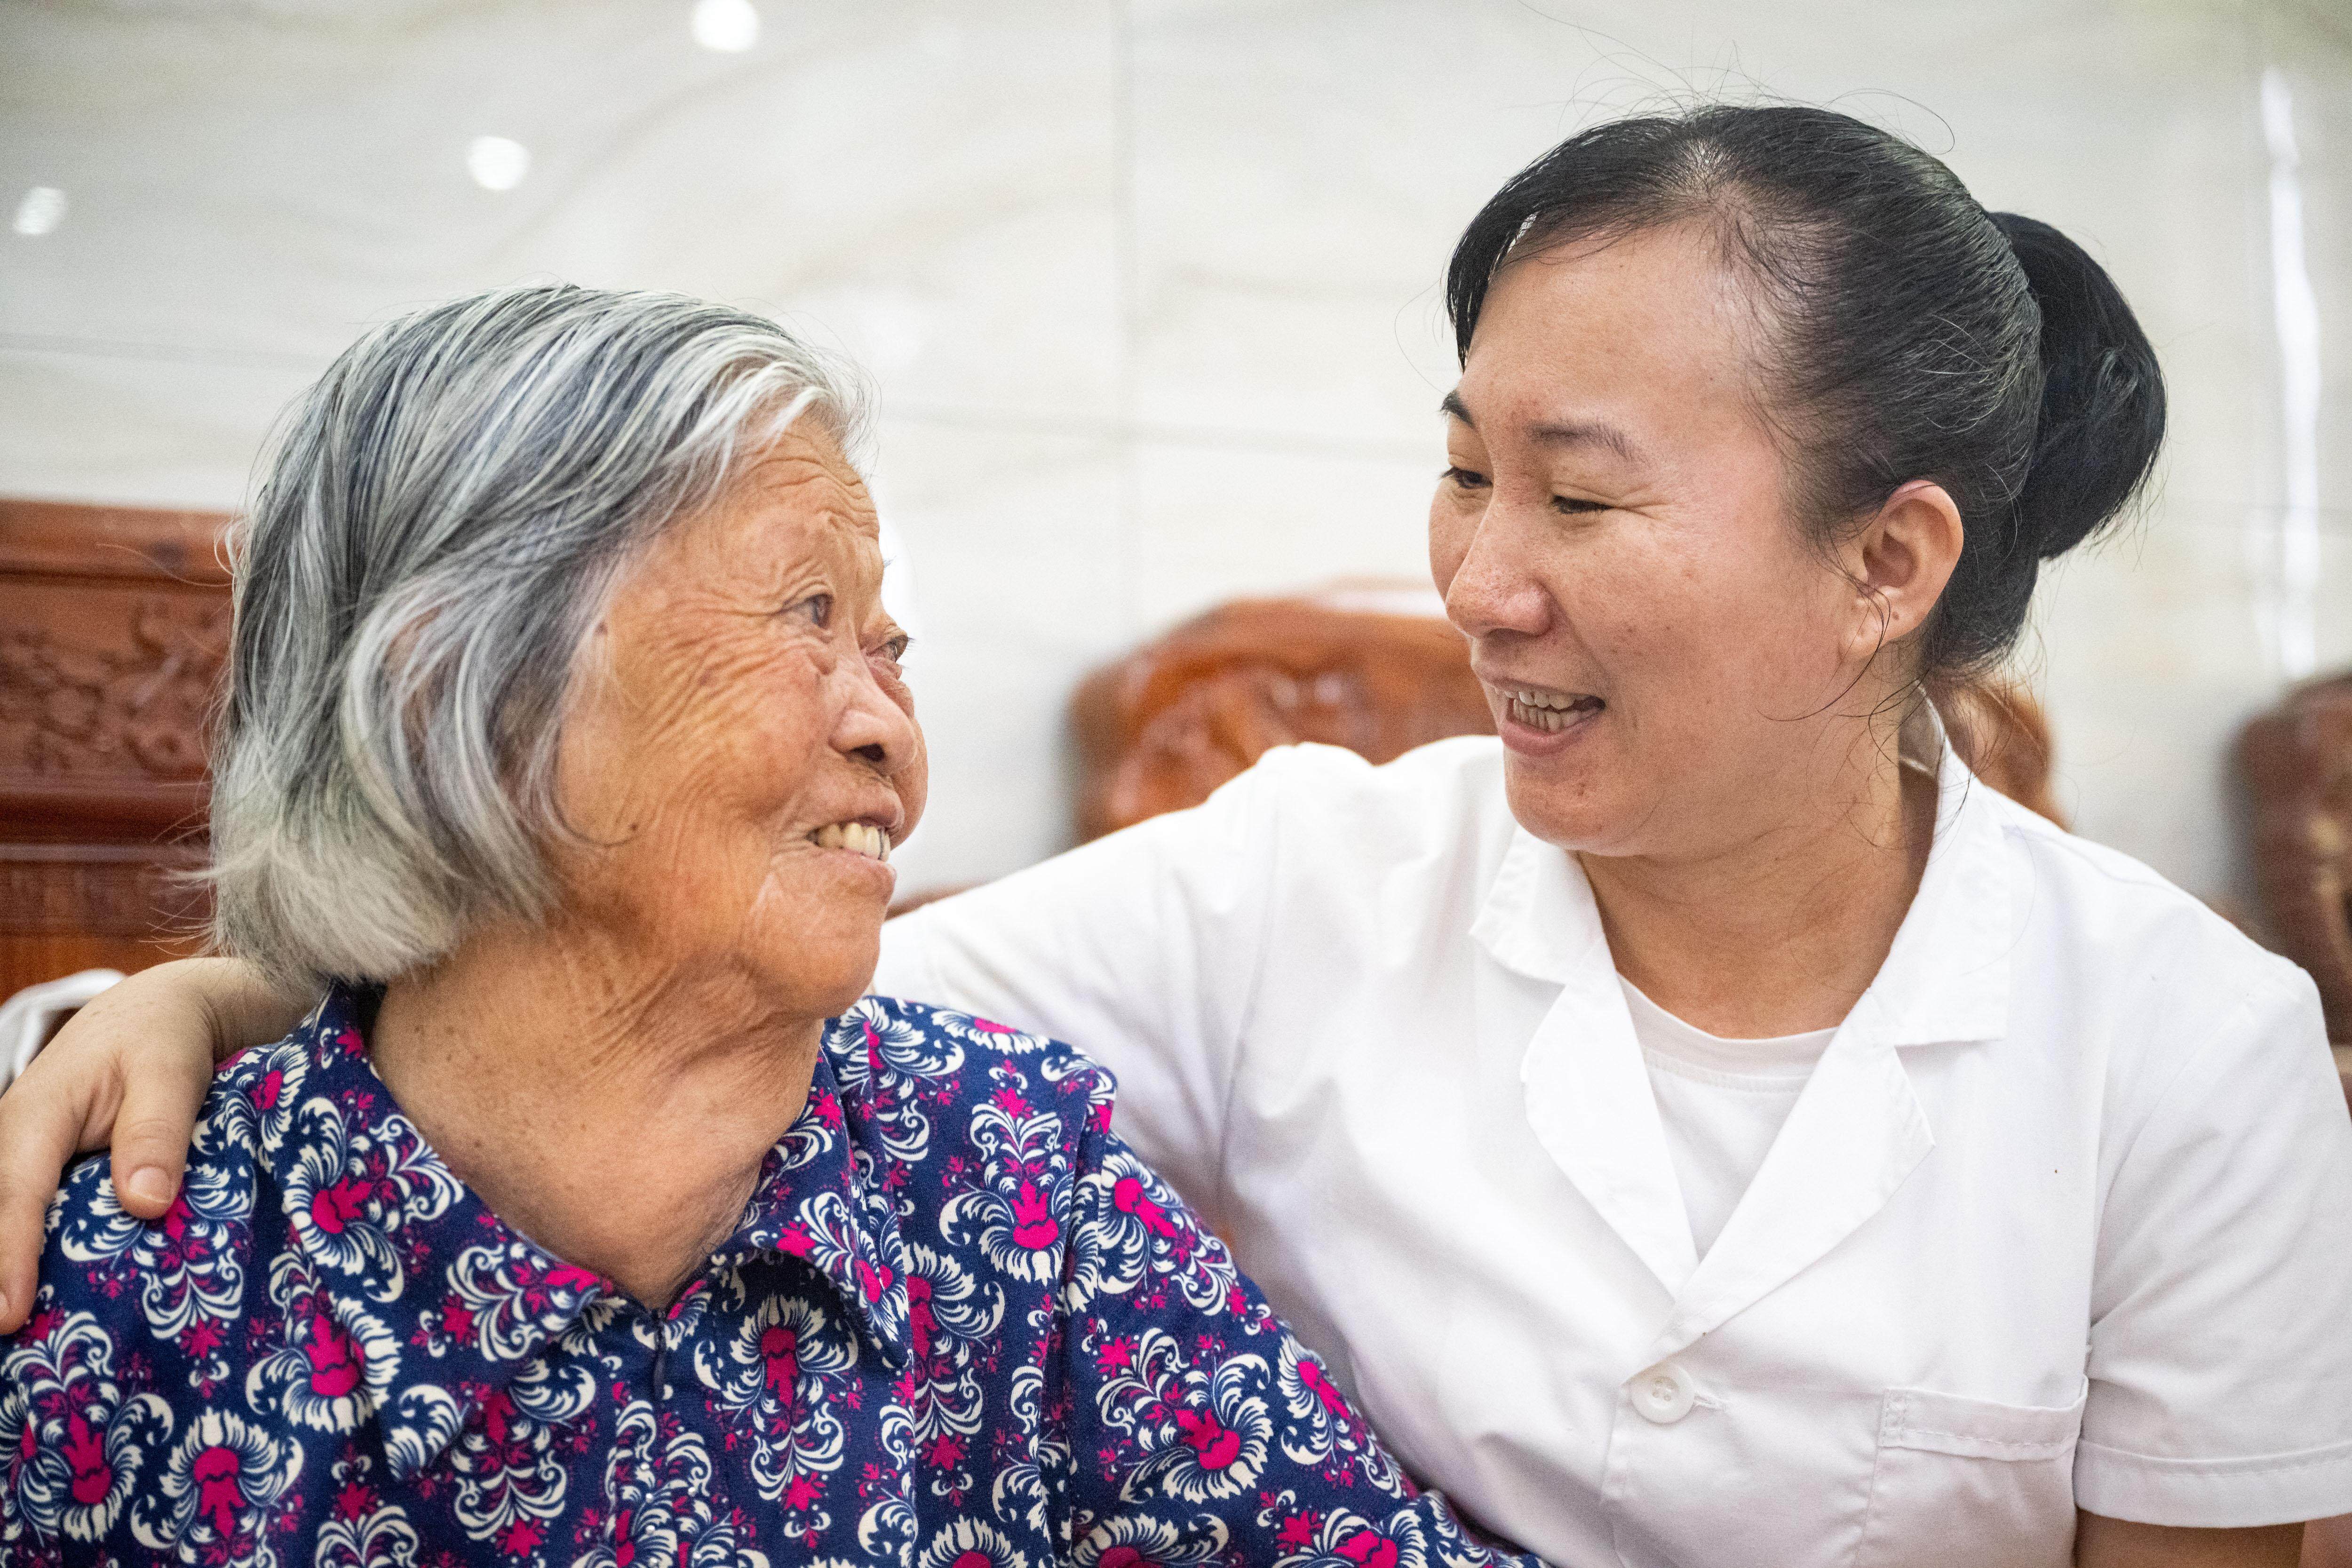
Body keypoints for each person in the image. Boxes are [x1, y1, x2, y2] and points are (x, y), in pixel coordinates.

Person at [6, 103, 2349, 1568]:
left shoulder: (2187, 1050)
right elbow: (616, 988)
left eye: (1580, 494)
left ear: (1886, 567)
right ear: (459, 685)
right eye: (1460, 468)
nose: (1471, 578)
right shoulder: (1286, 887)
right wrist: (223, 982)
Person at [0, 286, 1545, 1568]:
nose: (893, 734)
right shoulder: (107, 1301)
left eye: (892, 645)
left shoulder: (1002, 1178)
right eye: (808, 618)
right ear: (451, 700)